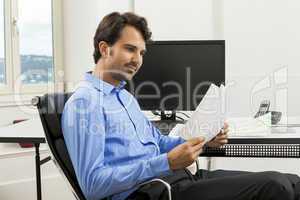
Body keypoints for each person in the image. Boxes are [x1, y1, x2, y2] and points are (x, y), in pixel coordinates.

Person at [61, 12, 300, 200]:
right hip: (153, 192)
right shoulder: (85, 103)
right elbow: (93, 186)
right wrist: (166, 162)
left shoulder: (124, 97)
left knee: (293, 182)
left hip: (177, 179)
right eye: (130, 49)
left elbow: (159, 143)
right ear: (105, 48)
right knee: (275, 186)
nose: (138, 60)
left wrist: (203, 139)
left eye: (142, 52)